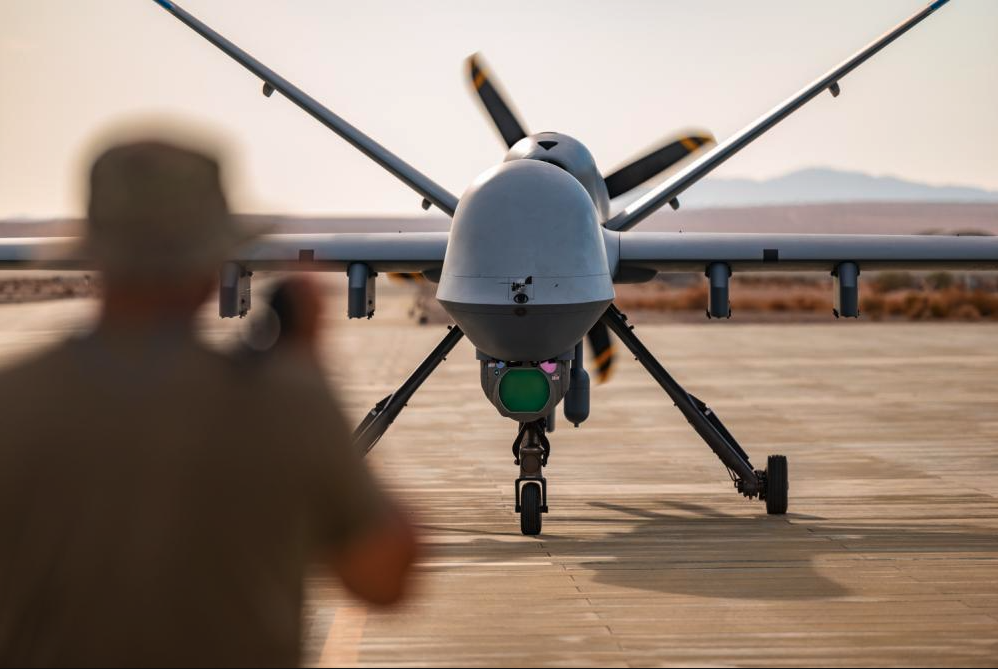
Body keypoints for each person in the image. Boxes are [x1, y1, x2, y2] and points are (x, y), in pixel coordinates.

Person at [0, 140, 416, 667]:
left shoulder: (12, 404)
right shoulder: (285, 408)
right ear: (209, 264)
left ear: (96, 256)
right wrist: (310, 373)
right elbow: (384, 576)